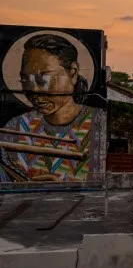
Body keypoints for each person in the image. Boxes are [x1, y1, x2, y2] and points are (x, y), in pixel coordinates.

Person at [0, 32, 97, 182]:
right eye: (25, 80)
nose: (34, 91)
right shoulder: (15, 127)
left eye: (43, 79)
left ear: (73, 73)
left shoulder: (98, 124)